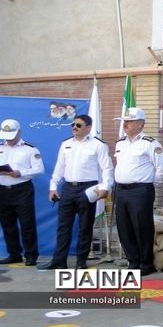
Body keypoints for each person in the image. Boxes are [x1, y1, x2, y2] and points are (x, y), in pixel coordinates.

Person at [38, 115, 113, 270]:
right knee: (63, 226)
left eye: (78, 125)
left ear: (88, 128)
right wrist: (53, 186)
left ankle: (81, 261)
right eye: (73, 124)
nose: (74, 127)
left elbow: (107, 168)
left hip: (88, 188)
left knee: (85, 226)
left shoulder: (98, 145)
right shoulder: (66, 144)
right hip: (68, 188)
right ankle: (59, 260)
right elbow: (60, 167)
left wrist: (105, 187)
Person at [113, 108, 163, 276]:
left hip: (140, 190)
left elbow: (162, 169)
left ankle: (145, 264)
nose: (125, 124)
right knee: (124, 227)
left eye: (128, 122)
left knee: (142, 227)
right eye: (124, 121)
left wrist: (147, 185)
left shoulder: (150, 143)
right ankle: (133, 261)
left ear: (140, 124)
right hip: (121, 190)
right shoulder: (120, 142)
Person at [0, 119, 44, 266]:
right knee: (8, 224)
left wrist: (20, 172)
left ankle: (31, 255)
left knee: (27, 224)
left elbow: (39, 169)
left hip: (22, 189)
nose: (9, 138)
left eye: (12, 134)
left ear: (19, 132)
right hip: (3, 190)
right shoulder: (1, 147)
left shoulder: (30, 149)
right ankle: (14, 254)